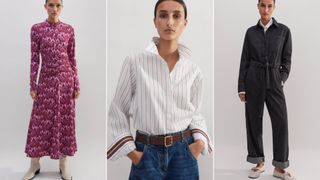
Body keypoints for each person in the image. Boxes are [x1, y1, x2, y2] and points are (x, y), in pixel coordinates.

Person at [107, 0, 212, 179]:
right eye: (163, 15)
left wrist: (199, 144)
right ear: (155, 21)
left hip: (184, 154)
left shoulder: (193, 70)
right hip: (146, 153)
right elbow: (117, 110)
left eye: (176, 16)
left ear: (185, 23)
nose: (169, 22)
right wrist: (133, 153)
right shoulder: (135, 63)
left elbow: (195, 113)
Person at [237, 0, 294, 179]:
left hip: (274, 82)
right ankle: (258, 162)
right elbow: (244, 60)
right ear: (258, 6)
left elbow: (287, 60)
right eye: (263, 5)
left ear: (274, 7)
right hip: (253, 79)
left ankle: (280, 167)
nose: (266, 9)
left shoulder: (284, 31)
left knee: (281, 122)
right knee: (254, 121)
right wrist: (241, 87)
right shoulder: (250, 32)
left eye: (269, 5)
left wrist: (281, 79)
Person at [23, 0, 80, 179]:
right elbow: (34, 59)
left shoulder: (69, 29)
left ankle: (64, 164)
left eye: (58, 5)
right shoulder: (37, 29)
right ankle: (34, 164)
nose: (54, 9)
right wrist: (33, 84)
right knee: (40, 123)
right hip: (46, 82)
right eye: (51, 5)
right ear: (45, 6)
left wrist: (76, 82)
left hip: (65, 82)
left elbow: (72, 58)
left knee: (64, 121)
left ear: (62, 7)